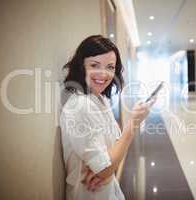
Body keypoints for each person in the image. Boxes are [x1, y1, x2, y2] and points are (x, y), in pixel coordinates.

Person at [60, 35, 156, 200]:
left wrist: (106, 171)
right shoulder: (80, 107)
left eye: (110, 67)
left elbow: (109, 157)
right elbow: (104, 167)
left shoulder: (100, 98)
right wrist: (132, 124)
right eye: (94, 65)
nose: (103, 74)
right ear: (81, 66)